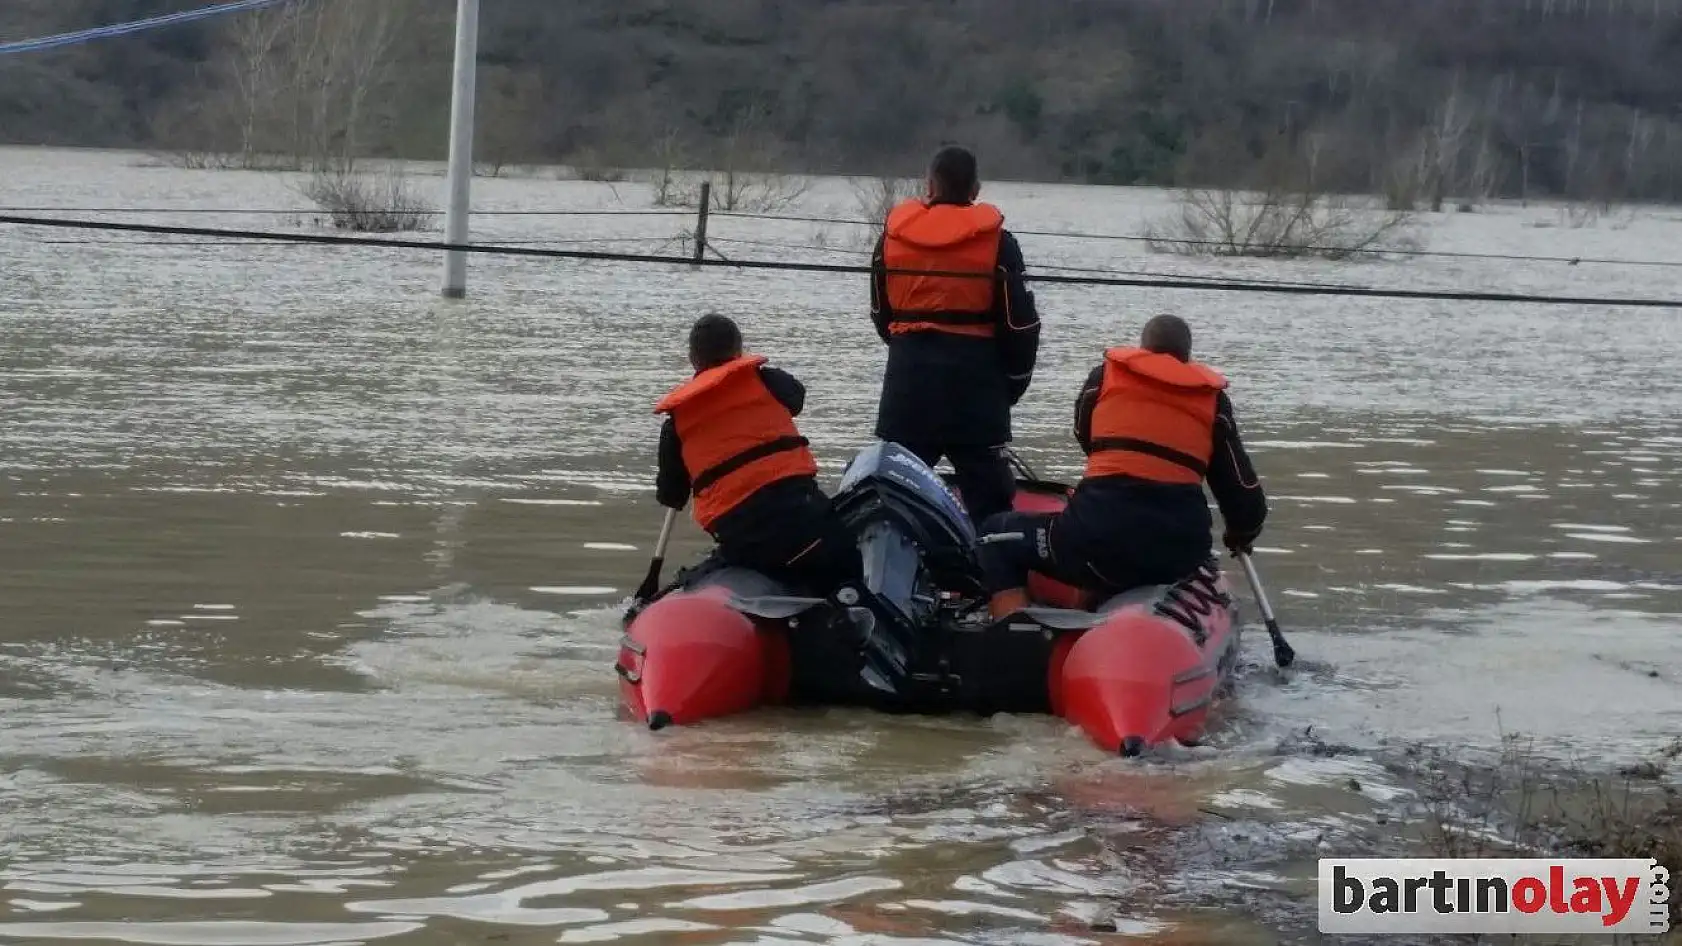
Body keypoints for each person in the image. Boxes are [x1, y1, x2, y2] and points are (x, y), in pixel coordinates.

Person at [977, 315, 1267, 619]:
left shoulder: (1103, 378)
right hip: (1178, 553)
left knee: (995, 537)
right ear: (1187, 358)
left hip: (1098, 538)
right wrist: (1241, 534)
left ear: (1143, 348)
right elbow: (1243, 492)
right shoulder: (1213, 401)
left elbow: (1085, 434)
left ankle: (1013, 643)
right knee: (1109, 545)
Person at [870, 145, 1041, 526]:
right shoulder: (1000, 242)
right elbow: (1020, 325)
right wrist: (1013, 381)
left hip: (908, 381)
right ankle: (995, 578)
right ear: (975, 189)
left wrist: (909, 347)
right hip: (976, 384)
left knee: (895, 500)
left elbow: (881, 314)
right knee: (991, 505)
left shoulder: (891, 238)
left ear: (929, 186)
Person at [655, 314, 864, 596]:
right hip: (807, 522)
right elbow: (796, 398)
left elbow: (671, 495)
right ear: (739, 351)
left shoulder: (676, 424)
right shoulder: (769, 382)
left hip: (745, 543)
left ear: (693, 359)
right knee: (849, 571)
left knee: (697, 578)